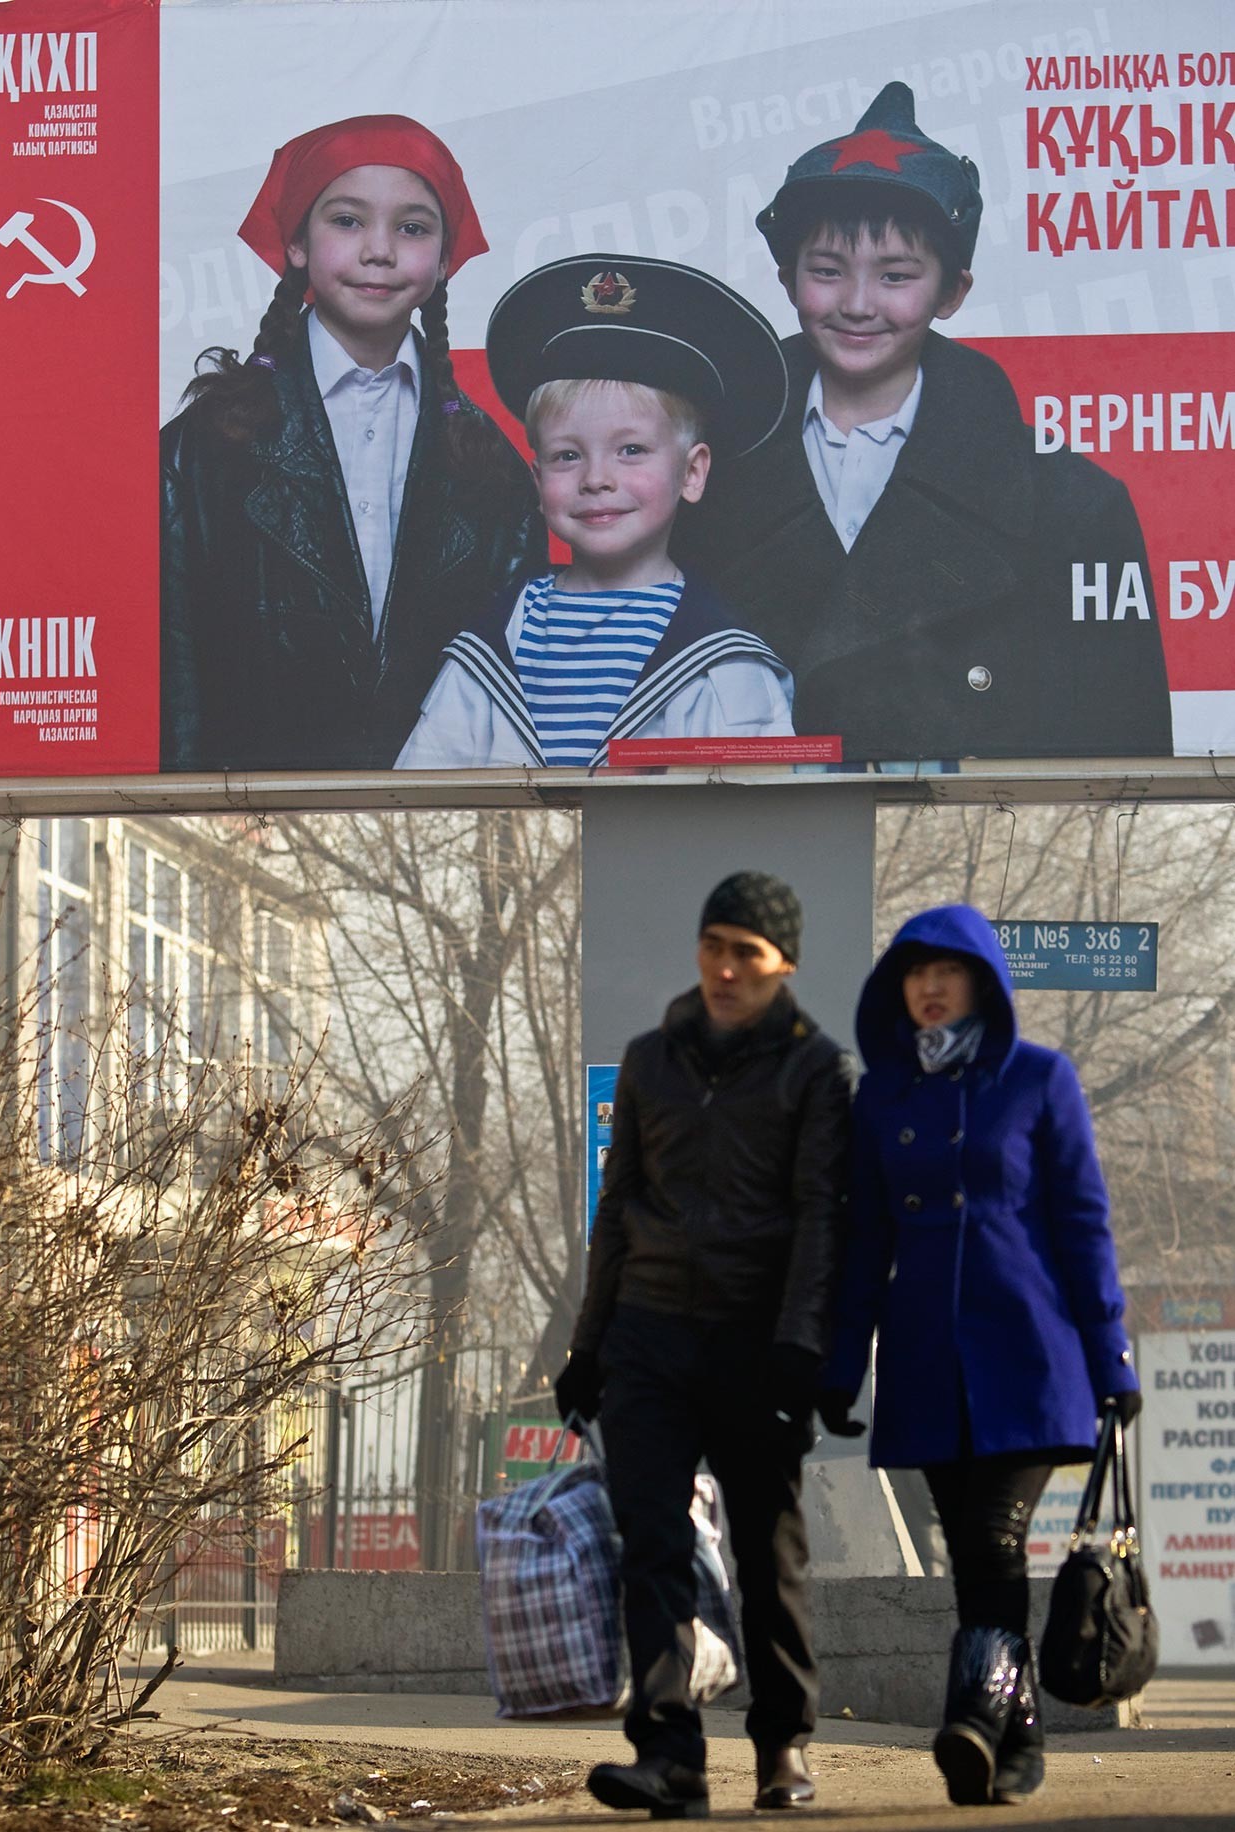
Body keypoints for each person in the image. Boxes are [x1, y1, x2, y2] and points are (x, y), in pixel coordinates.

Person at [675, 82, 1173, 763]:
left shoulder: (1074, 508)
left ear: (952, 292)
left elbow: (1119, 781)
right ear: (788, 278)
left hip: (967, 859)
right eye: (827, 270)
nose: (856, 303)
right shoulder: (695, 477)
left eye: (896, 276)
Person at [819, 904, 1142, 1807]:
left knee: (996, 1535)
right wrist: (843, 1364)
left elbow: (1084, 1226)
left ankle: (970, 1712)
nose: (930, 987)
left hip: (1032, 1357)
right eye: (915, 973)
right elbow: (864, 1240)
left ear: (983, 984)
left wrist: (1112, 1360)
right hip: (926, 1360)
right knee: (972, 1554)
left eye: (948, 972)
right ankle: (1016, 1740)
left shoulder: (1041, 1079)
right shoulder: (882, 1094)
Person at [554, 872, 854, 1817]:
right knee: (652, 1542)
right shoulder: (651, 1061)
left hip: (754, 1343)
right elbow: (618, 1214)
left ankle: (783, 1749)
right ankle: (669, 1753)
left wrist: (802, 1345)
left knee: (768, 1555)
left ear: (784, 965)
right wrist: (589, 1346)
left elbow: (820, 1222)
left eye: (747, 955)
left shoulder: (815, 1072)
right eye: (714, 946)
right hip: (647, 1337)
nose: (725, 970)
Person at [160, 114, 545, 773]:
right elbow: (176, 671)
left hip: (433, 820)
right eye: (347, 220)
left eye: (413, 228)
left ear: (445, 259)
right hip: (247, 813)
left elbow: (517, 689)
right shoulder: (202, 450)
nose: (379, 250)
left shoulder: (494, 469)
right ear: (299, 243)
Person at [395, 256, 793, 769]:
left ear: (692, 473)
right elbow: (417, 803)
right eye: (567, 456)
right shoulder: (491, 646)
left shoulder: (726, 665)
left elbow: (755, 828)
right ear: (537, 483)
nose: (596, 478)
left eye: (631, 450)